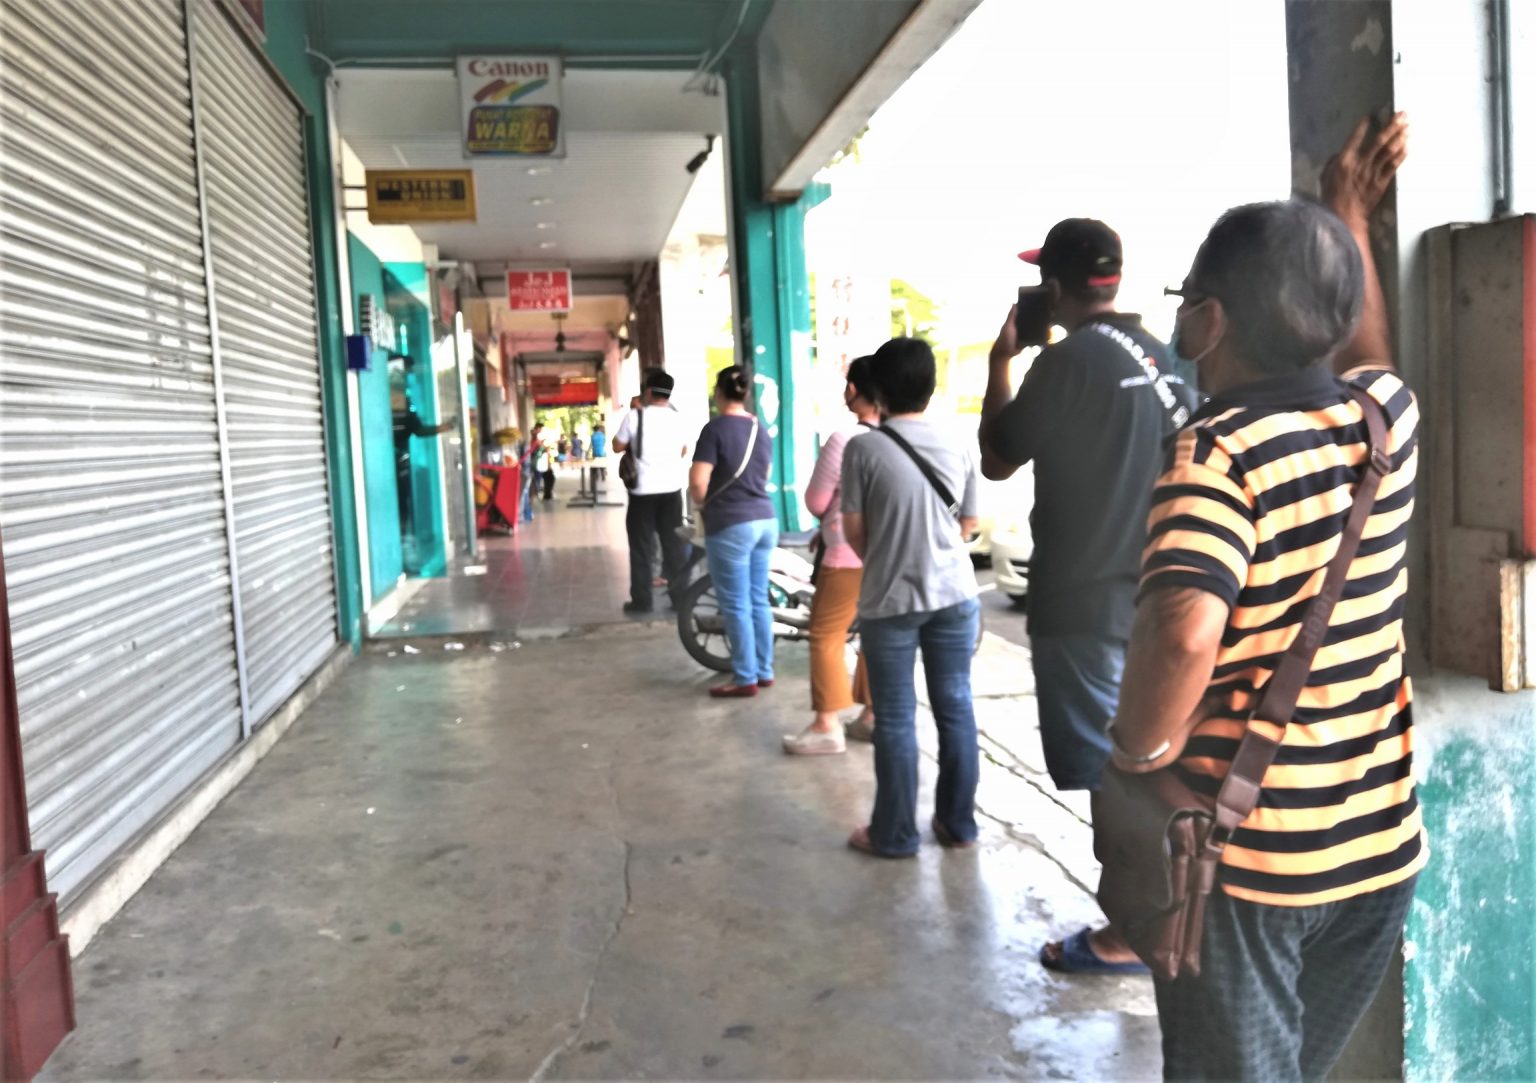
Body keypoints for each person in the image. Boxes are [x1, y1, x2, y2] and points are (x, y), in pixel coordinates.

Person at [1110, 115, 1418, 1082]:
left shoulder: (1216, 456)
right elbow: (1369, 349)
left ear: (1210, 320)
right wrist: (1346, 215)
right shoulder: (1385, 422)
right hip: (1378, 849)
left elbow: (1182, 630)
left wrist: (1138, 754)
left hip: (1246, 869)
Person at [978, 217, 1197, 972]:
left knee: (1114, 779)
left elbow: (998, 458)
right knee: (1160, 763)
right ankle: (1174, 909)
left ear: (1053, 287)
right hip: (1172, 602)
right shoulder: (1170, 359)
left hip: (1086, 605)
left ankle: (1130, 931)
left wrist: (1000, 361)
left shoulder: (1064, 363)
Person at [841, 337, 981, 857]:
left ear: (878, 388)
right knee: (956, 707)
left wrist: (892, 556)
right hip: (955, 595)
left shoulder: (863, 448)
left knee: (896, 717)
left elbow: (855, 531)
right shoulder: (959, 440)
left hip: (891, 600)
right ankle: (958, 825)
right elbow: (969, 523)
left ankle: (895, 834)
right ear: (930, 385)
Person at [782, 355, 877, 754]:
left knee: (825, 634)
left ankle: (826, 725)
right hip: (885, 555)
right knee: (873, 632)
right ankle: (871, 716)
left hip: (845, 552)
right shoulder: (898, 437)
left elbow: (817, 501)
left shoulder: (845, 439)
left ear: (853, 389)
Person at [689, 366, 778, 698]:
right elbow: (764, 474)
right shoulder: (760, 429)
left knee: (736, 605)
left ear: (718, 393)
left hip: (730, 523)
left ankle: (745, 678)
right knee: (758, 599)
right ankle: (764, 671)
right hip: (765, 519)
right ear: (746, 394)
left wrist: (705, 504)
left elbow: (698, 482)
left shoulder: (714, 429)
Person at [614, 371, 691, 615]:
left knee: (641, 547)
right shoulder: (678, 418)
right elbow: (683, 450)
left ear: (648, 391)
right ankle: (680, 599)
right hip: (671, 491)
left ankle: (642, 601)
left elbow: (617, 446)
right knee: (673, 545)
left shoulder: (634, 416)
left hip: (642, 492)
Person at [520, 421, 549, 523]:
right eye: (540, 429)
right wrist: (542, 446)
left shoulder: (535, 439)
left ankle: (528, 507)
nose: (540, 431)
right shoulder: (534, 439)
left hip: (533, 464)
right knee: (532, 485)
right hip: (532, 464)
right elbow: (537, 448)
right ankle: (528, 507)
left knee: (533, 484)